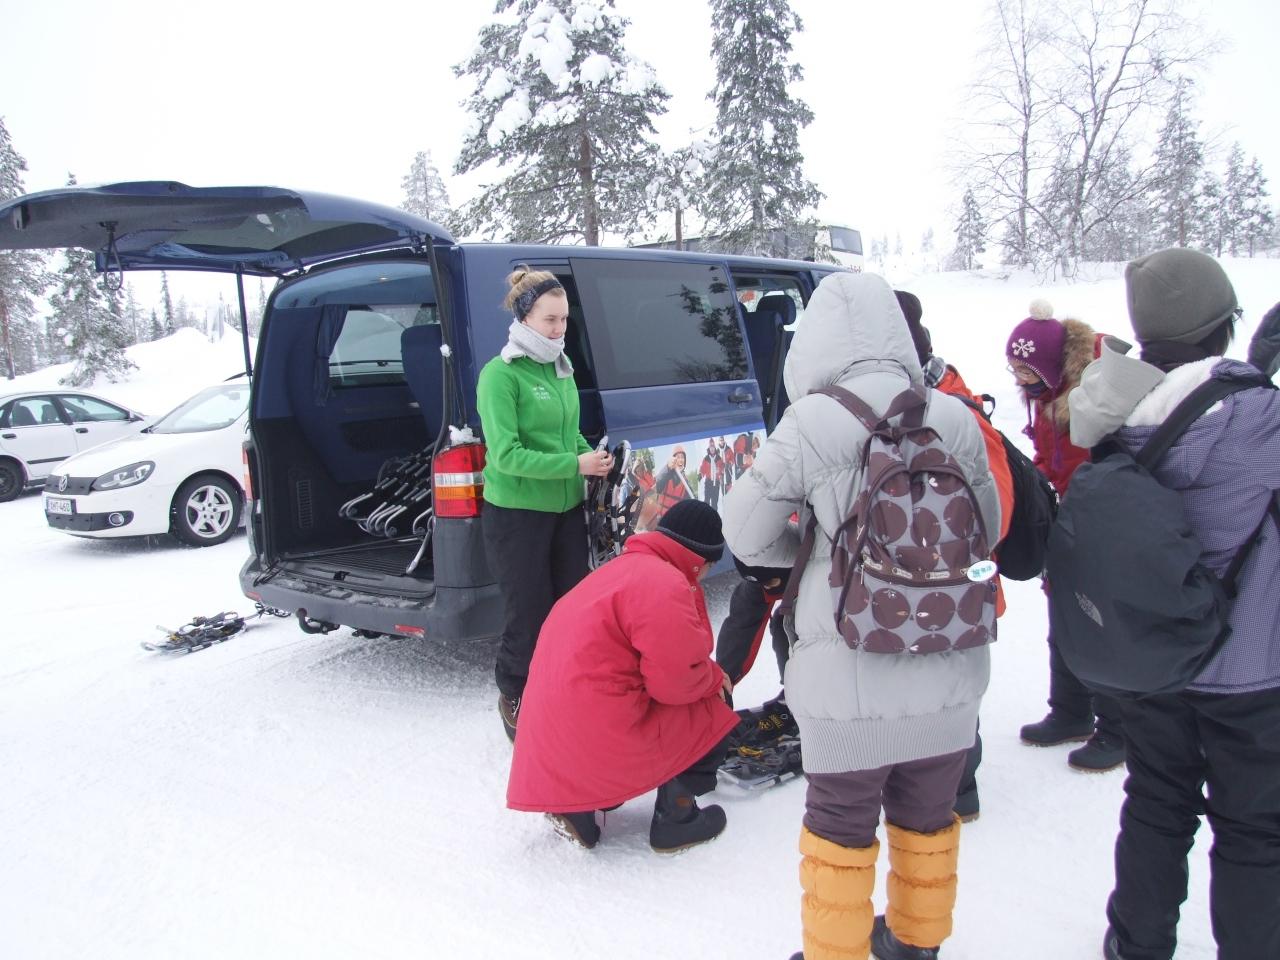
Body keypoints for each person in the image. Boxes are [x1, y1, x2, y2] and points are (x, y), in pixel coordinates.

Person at [723, 272, 1001, 960]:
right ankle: (916, 945)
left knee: (840, 822)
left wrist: (810, 556)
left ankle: (836, 950)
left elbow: (745, 533)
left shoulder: (812, 422)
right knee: (928, 817)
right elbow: (988, 528)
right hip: (950, 653)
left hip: (846, 661)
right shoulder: (953, 415)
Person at [1068, 247, 1280, 960]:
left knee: (1158, 802)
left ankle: (1135, 944)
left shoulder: (1117, 410)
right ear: (1223, 325)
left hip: (1154, 656)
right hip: (1249, 666)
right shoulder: (1259, 417)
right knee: (1254, 828)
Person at [506, 499, 739, 852]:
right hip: (596, 740)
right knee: (715, 704)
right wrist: (714, 678)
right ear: (700, 559)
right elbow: (676, 684)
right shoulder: (664, 583)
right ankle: (676, 818)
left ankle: (579, 808)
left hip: (551, 747)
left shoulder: (618, 570)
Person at [476, 266, 613, 742]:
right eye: (549, 319)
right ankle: (514, 693)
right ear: (524, 317)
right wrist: (575, 465)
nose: (558, 329)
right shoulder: (500, 375)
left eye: (564, 319)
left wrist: (593, 457)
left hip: (565, 511)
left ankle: (562, 689)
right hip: (517, 514)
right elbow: (506, 455)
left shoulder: (561, 367)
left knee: (570, 608)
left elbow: (568, 434)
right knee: (529, 613)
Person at [899, 289, 1014, 824]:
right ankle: (925, 781)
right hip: (907, 585)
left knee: (953, 688)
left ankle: (959, 790)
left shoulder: (958, 411)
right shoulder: (890, 404)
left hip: (959, 585)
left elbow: (998, 513)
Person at [1006, 299, 1125, 773]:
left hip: (1103, 525)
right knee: (1064, 619)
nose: (1021, 380)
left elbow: (1103, 465)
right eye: (1015, 371)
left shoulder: (1097, 394)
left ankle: (1118, 728)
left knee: (1100, 625)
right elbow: (1049, 457)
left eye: (1027, 371)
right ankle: (1071, 711)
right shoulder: (1046, 395)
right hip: (1067, 520)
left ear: (1053, 364)